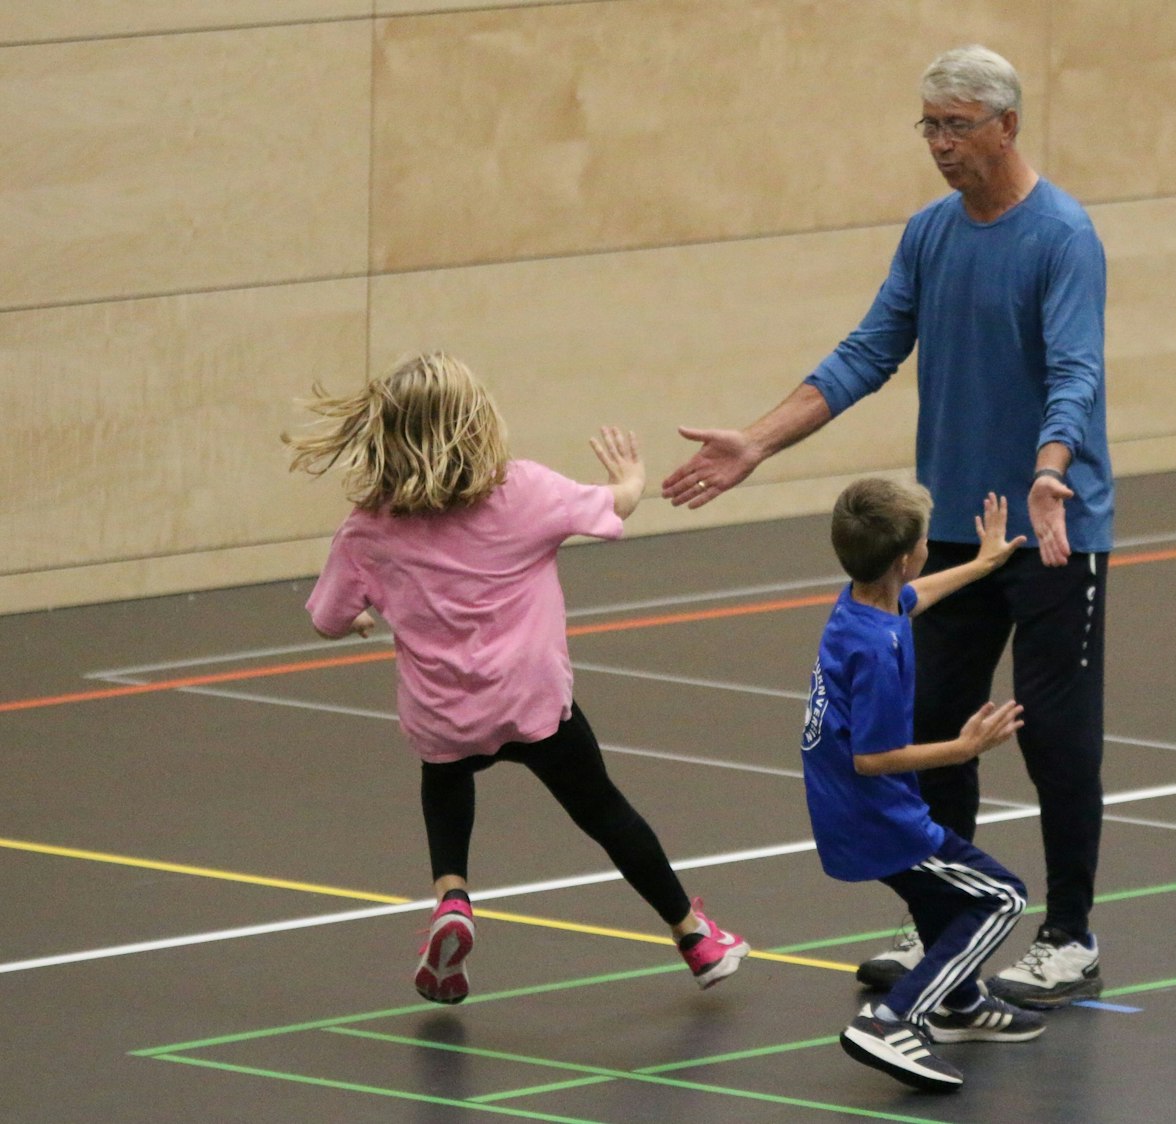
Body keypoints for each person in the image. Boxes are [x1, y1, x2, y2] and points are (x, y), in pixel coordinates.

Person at [661, 43, 1113, 1009]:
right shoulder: (929, 235)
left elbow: (1075, 371)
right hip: (953, 529)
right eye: (930, 127)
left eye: (957, 126)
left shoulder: (1063, 237)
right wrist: (757, 442)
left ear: (1007, 126)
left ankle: (1069, 934)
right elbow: (868, 350)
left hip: (1053, 528)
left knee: (1056, 737)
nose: (940, 145)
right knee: (933, 721)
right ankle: (945, 920)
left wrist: (1048, 472)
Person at [287, 352, 750, 1004]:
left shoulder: (368, 530)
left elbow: (326, 619)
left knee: (445, 780)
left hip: (446, 714)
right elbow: (617, 505)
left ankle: (452, 899)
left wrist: (362, 613)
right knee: (605, 811)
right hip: (533, 703)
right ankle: (693, 936)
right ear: (477, 424)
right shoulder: (524, 491)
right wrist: (630, 477)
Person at [807, 478, 1043, 1093]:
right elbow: (872, 757)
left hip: (848, 809)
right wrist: (964, 749)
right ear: (907, 556)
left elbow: (914, 597)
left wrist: (983, 565)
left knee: (944, 902)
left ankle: (961, 1003)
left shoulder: (863, 607)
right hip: (879, 816)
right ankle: (892, 1020)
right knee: (1002, 898)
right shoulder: (877, 649)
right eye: (923, 545)